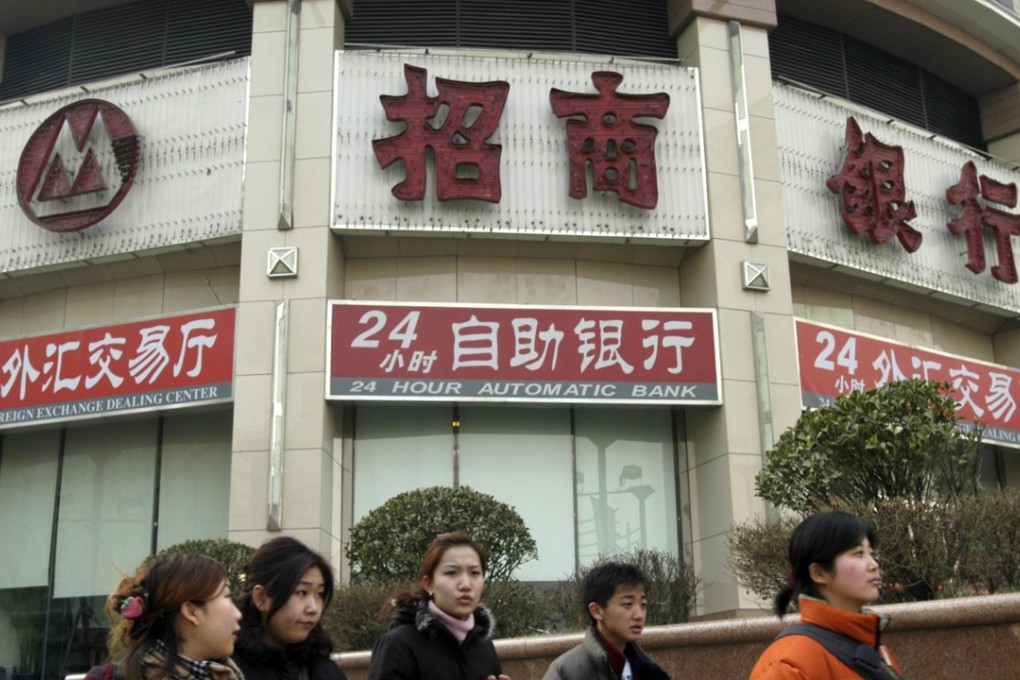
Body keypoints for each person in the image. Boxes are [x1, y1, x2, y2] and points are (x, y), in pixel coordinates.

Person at [749, 511, 906, 679]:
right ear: (818, 573)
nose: (874, 565)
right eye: (858, 554)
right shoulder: (790, 665)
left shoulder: (875, 648)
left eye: (872, 554)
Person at [366, 531, 509, 680]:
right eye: (452, 573)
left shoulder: (483, 645)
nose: (466, 585)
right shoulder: (399, 644)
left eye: (474, 573)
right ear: (429, 584)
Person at [85, 553, 243, 680]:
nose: (238, 614)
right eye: (227, 596)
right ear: (191, 611)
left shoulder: (226, 673)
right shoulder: (111, 677)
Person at [232, 536, 347, 680]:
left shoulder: (323, 670)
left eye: (319, 594)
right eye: (301, 593)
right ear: (261, 597)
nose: (313, 608)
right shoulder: (228, 669)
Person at [543, 562, 670, 680]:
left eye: (643, 604)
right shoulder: (566, 671)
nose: (639, 615)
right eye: (628, 604)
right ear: (596, 611)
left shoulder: (648, 670)